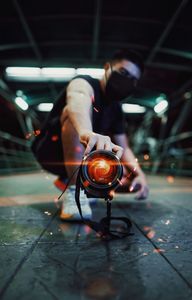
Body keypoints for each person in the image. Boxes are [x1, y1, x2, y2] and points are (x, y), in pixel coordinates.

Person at [33, 49, 149, 221]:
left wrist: (140, 174)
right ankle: (75, 191)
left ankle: (83, 183)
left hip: (83, 155)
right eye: (123, 72)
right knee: (71, 115)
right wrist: (85, 131)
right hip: (51, 151)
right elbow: (78, 98)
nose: (126, 81)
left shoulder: (116, 108)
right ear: (107, 68)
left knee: (126, 176)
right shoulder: (85, 82)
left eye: (133, 80)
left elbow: (124, 147)